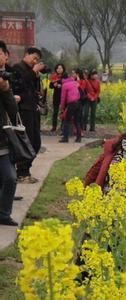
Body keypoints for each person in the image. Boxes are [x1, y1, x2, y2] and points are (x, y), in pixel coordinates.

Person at [12, 47, 45, 184]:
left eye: (37, 59)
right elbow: (18, 84)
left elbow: (33, 89)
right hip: (23, 110)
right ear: (26, 54)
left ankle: (25, 169)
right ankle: (22, 172)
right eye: (34, 58)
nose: (35, 61)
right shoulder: (17, 68)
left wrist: (37, 78)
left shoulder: (32, 72)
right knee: (27, 141)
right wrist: (33, 72)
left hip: (32, 109)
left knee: (36, 142)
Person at [0, 40, 19, 226]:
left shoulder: (4, 80)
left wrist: (6, 91)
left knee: (10, 178)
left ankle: (4, 214)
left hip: (2, 139)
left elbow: (13, 112)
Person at [59, 73, 82, 143]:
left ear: (62, 79)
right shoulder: (75, 82)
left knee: (67, 120)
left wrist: (62, 107)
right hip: (79, 103)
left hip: (72, 104)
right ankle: (78, 138)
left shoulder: (64, 85)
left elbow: (63, 97)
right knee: (77, 121)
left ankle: (65, 138)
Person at [49, 63, 66, 132]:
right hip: (56, 95)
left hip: (63, 96)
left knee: (63, 111)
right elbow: (50, 86)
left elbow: (67, 84)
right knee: (55, 112)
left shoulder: (65, 76)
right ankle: (54, 127)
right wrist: (54, 85)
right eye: (58, 68)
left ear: (63, 69)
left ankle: (62, 126)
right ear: (56, 69)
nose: (59, 70)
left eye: (60, 68)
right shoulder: (54, 76)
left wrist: (61, 86)